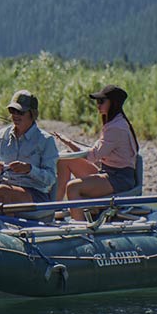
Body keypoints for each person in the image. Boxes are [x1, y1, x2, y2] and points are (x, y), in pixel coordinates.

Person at [54, 84, 139, 221]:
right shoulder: (113, 123)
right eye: (97, 101)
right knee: (65, 160)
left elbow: (92, 156)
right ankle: (54, 209)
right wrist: (68, 142)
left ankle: (79, 228)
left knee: (73, 187)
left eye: (101, 101)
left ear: (113, 103)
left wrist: (70, 144)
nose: (97, 105)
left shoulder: (116, 128)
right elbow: (94, 155)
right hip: (107, 172)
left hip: (119, 179)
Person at [0, 90, 58, 207]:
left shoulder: (46, 140)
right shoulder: (2, 135)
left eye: (20, 112)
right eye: (12, 111)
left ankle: (6, 225)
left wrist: (29, 169)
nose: (15, 115)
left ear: (32, 114)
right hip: (4, 187)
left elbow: (51, 179)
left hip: (35, 193)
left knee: (2, 191)